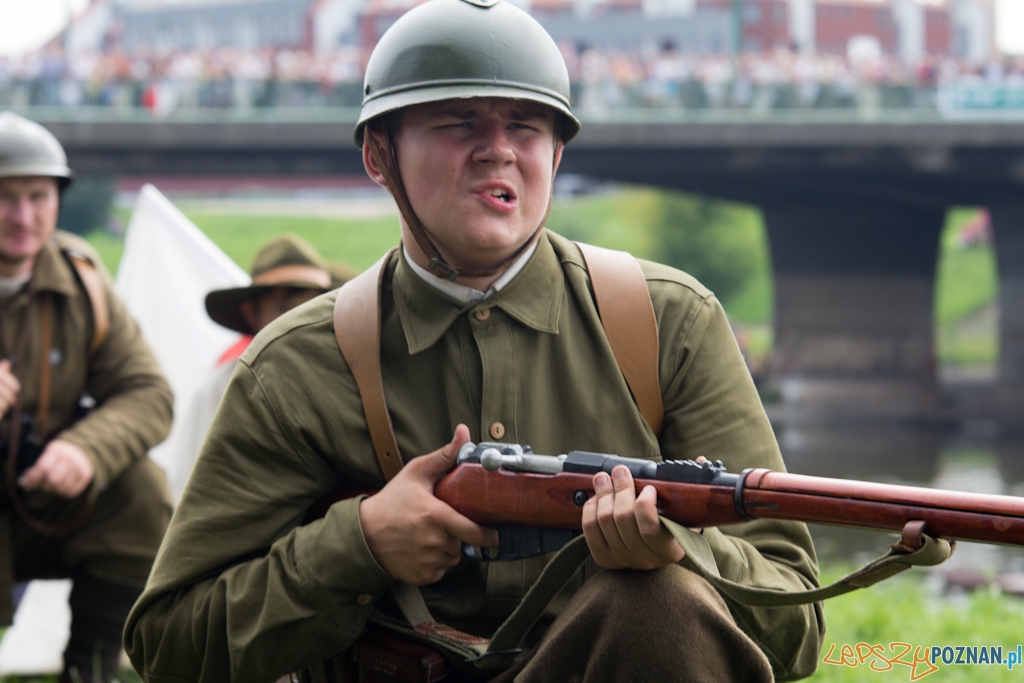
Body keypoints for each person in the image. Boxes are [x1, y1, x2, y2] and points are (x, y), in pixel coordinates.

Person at [125, 1, 825, 681]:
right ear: (379, 155)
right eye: (459, 122)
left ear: (556, 153)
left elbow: (798, 633)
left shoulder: (670, 324)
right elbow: (168, 643)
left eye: (524, 126)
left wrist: (685, 550)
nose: (498, 149)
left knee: (658, 606)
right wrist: (360, 543)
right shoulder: (297, 365)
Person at [0, 112, 173, 683]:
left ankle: (90, 668)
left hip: (38, 500)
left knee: (140, 492)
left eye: (36, 196)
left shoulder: (80, 282)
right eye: (4, 197)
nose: (22, 217)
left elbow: (147, 392)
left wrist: (86, 450)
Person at [163, 235, 340, 499]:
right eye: (283, 308)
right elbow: (187, 491)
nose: (300, 322)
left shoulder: (355, 380)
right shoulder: (219, 388)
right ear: (251, 313)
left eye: (312, 308)